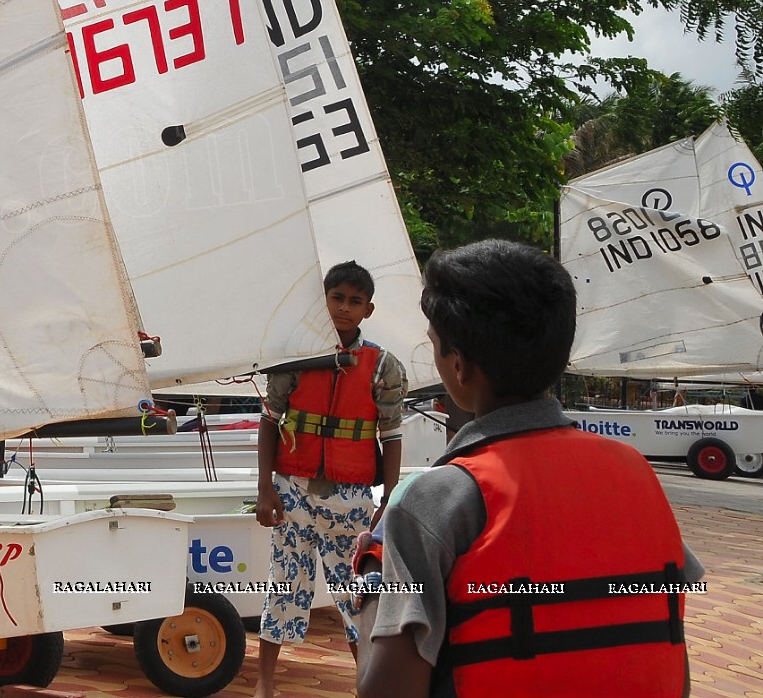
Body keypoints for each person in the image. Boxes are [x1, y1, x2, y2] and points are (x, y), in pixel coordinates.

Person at [358, 239, 700, 698]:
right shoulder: (635, 472)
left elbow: (386, 691)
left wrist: (371, 582)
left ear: (458, 364)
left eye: (435, 345)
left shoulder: (435, 499)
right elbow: (662, 632)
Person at [254, 260, 408, 698]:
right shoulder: (294, 357)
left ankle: (367, 688)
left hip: (352, 499)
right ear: (323, 301)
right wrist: (265, 489)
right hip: (291, 492)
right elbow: (269, 421)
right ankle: (264, 685)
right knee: (283, 586)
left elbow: (392, 433)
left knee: (356, 595)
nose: (344, 307)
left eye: (354, 301)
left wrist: (389, 496)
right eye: (337, 298)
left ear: (368, 309)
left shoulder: (383, 367)